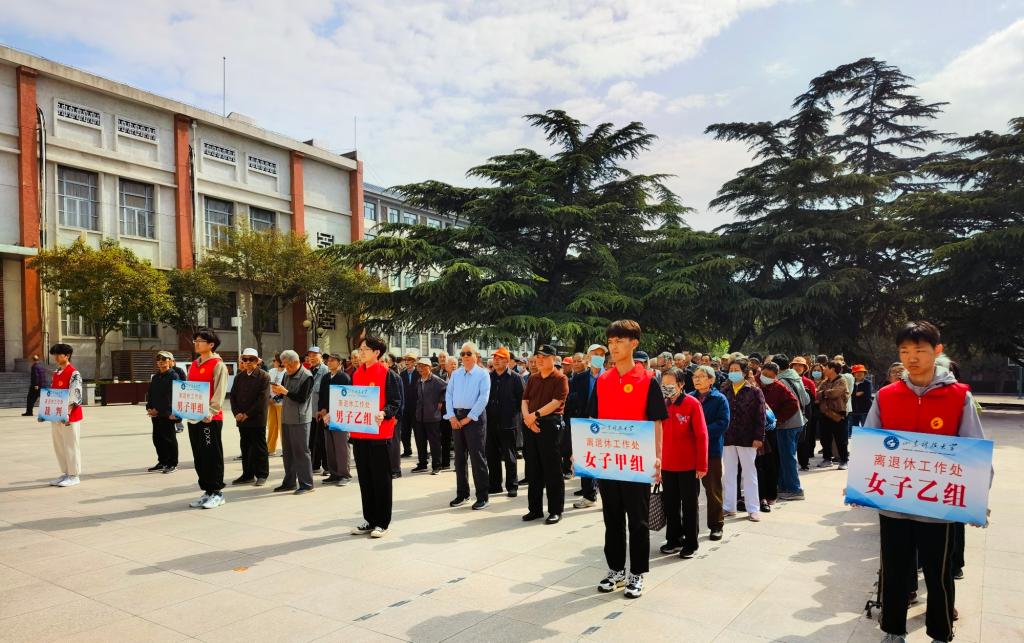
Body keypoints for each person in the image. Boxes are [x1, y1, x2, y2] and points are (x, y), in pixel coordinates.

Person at [863, 321, 988, 643]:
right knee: (894, 570)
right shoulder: (887, 395)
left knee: (938, 573)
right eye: (905, 351)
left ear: (937, 351)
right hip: (894, 503)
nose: (912, 358)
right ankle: (893, 631)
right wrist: (861, 484)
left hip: (937, 507)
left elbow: (974, 449)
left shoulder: (958, 396)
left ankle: (941, 633)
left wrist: (978, 499)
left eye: (919, 350)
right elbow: (870, 444)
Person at [589, 320, 666, 599]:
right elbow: (593, 419)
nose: (613, 347)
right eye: (610, 342)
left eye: (619, 341)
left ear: (634, 343)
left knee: (638, 521)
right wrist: (582, 451)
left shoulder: (648, 380)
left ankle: (637, 573)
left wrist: (657, 457)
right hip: (609, 460)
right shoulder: (603, 380)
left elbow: (657, 421)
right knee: (612, 519)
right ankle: (616, 570)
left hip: (637, 461)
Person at [349, 335, 402, 538]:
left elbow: (395, 402)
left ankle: (382, 522)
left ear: (376, 352)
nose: (360, 353)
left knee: (381, 479)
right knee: (365, 478)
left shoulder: (388, 374)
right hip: (359, 433)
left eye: (365, 349)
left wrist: (384, 412)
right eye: (360, 349)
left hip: (379, 434)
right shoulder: (356, 373)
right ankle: (369, 519)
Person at [659, 367, 708, 558]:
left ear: (680, 384)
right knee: (670, 505)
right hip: (666, 465)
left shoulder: (692, 403)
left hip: (688, 466)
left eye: (670, 384)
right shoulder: (662, 404)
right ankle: (674, 539)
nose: (666, 388)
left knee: (689, 506)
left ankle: (691, 543)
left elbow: (702, 435)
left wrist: (702, 465)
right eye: (663, 384)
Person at [520, 344, 569, 524]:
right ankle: (535, 509)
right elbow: (525, 400)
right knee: (533, 469)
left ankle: (555, 510)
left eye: (544, 357)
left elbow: (557, 402)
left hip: (550, 426)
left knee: (552, 470)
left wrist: (535, 415)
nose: (539, 360)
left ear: (553, 359)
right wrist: (528, 419)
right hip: (531, 424)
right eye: (538, 357)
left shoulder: (560, 378)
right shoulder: (533, 378)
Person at [185, 329, 229, 508]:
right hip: (193, 417)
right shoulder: (194, 364)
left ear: (211, 345)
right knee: (199, 455)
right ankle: (207, 491)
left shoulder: (218, 365)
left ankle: (217, 492)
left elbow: (220, 391)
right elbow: (188, 389)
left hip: (210, 419)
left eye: (200, 340)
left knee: (212, 455)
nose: (196, 343)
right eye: (195, 340)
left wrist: (211, 411)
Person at [445, 342, 492, 510]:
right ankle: (462, 494)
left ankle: (483, 496)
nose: (465, 356)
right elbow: (448, 395)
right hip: (456, 417)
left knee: (477, 457)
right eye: (462, 354)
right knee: (459, 458)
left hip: (475, 419)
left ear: (476, 356)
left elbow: (483, 399)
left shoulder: (483, 374)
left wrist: (468, 418)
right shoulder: (456, 374)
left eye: (468, 353)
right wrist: (451, 416)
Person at [722, 357, 767, 522]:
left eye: (736, 370)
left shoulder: (754, 391)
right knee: (729, 473)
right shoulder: (725, 390)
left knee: (749, 473)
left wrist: (759, 437)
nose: (733, 373)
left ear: (745, 372)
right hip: (728, 437)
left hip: (748, 438)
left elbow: (760, 416)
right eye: (731, 370)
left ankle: (753, 508)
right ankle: (729, 506)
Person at [690, 364, 729, 540]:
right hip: (690, 450)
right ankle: (691, 527)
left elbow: (723, 423)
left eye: (701, 376)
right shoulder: (689, 397)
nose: (697, 379)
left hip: (710, 450)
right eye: (695, 376)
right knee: (691, 492)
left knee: (712, 489)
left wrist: (701, 432)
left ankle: (716, 525)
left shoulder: (719, 399)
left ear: (711, 380)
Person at [271, 350, 315, 495]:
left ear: (296, 362)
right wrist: (278, 393)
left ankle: (307, 484)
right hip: (286, 417)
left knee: (301, 452)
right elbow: (284, 394)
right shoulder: (286, 375)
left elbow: (302, 398)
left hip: (300, 419)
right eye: (284, 365)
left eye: (288, 365)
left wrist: (285, 392)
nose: (286, 368)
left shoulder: (307, 376)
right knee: (288, 452)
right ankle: (289, 482)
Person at [568, 343, 607, 508]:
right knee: (586, 460)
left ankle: (608, 498)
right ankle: (589, 496)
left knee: (605, 461)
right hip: (583, 424)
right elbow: (571, 401)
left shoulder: (610, 376)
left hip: (604, 425)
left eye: (601, 354)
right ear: (588, 357)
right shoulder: (580, 378)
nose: (598, 357)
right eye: (595, 353)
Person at [760, 361, 803, 505]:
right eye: (764, 374)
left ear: (775, 376)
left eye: (769, 376)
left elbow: (794, 403)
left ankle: (794, 490)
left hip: (787, 426)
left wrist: (778, 418)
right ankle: (783, 487)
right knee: (780, 458)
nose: (765, 377)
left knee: (787, 457)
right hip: (776, 427)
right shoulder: (759, 384)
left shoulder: (779, 386)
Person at [44, 343, 84, 487]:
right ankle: (66, 473)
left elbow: (75, 395)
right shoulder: (56, 373)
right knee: (59, 445)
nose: (55, 357)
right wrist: (47, 412)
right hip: (56, 415)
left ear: (67, 356)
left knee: (71, 445)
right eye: (54, 354)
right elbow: (53, 394)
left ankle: (74, 475)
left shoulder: (74, 373)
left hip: (69, 416)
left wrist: (67, 413)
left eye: (58, 354)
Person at [230, 348, 271, 487]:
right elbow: (233, 397)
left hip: (257, 419)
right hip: (241, 419)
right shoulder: (239, 377)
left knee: (259, 447)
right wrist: (236, 413)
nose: (247, 362)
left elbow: (262, 400)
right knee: (245, 447)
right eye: (245, 359)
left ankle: (262, 475)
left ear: (257, 361)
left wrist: (247, 414)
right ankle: (247, 475)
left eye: (251, 359)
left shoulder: (264, 376)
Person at [487, 346, 524, 496]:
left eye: (500, 358)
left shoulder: (516, 378)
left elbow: (523, 401)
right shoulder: (489, 377)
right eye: (495, 358)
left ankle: (512, 485)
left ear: (507, 361)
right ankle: (495, 485)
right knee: (492, 455)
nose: (496, 361)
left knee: (510, 456)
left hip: (509, 423)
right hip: (491, 423)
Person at [317, 352, 353, 486]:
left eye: (333, 360)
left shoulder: (344, 377)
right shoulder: (326, 377)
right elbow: (322, 396)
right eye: (328, 360)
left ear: (340, 363)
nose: (329, 362)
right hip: (326, 417)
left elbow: (346, 398)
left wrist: (332, 411)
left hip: (340, 416)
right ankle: (334, 473)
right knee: (330, 446)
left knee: (341, 446)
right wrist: (322, 409)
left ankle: (344, 474)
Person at [144, 351, 180, 473]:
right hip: (155, 414)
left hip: (168, 414)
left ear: (170, 361)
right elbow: (151, 394)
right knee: (157, 439)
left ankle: (172, 463)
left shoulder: (174, 376)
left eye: (164, 359)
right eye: (158, 360)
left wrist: (159, 410)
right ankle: (163, 461)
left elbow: (172, 396)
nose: (160, 362)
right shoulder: (156, 377)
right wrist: (149, 407)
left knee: (169, 439)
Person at [413, 357, 447, 474]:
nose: (420, 368)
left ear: (429, 368)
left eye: (423, 366)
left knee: (434, 443)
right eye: (419, 366)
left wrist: (441, 400)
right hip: (420, 416)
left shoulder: (436, 380)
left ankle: (437, 466)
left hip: (432, 416)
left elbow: (447, 388)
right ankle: (422, 464)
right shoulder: (419, 380)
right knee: (420, 442)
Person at [815, 360, 850, 470]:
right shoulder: (825, 381)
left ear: (832, 369)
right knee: (825, 438)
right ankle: (827, 459)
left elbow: (835, 393)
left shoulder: (842, 381)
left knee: (841, 439)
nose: (824, 369)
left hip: (838, 414)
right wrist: (825, 393)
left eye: (826, 367)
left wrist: (824, 393)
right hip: (825, 413)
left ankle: (844, 460)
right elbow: (817, 394)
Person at [791, 356, 818, 471]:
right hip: (791, 414)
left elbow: (813, 400)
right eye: (795, 365)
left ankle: (804, 463)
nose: (797, 367)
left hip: (806, 414)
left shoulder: (809, 382)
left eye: (800, 365)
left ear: (805, 368)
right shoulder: (786, 380)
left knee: (804, 439)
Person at [305, 347, 329, 476]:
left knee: (323, 440)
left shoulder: (325, 371)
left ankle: (327, 467)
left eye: (315, 355)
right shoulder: (309, 371)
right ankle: (314, 465)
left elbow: (326, 393)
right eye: (310, 356)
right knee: (312, 439)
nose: (312, 358)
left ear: (321, 356)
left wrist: (324, 410)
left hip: (322, 411)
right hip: (311, 411)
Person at [399, 350, 420, 465]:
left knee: (418, 431)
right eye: (406, 360)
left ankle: (422, 452)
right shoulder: (402, 374)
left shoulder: (419, 373)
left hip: (416, 406)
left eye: (410, 360)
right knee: (405, 430)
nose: (407, 362)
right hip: (405, 406)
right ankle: (407, 450)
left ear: (415, 362)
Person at [267, 354, 285, 456]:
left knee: (282, 427)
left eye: (275, 360)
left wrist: (276, 399)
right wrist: (269, 398)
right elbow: (267, 386)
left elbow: (286, 388)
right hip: (271, 403)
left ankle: (285, 449)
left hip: (282, 403)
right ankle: (270, 448)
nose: (273, 362)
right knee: (272, 425)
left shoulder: (287, 372)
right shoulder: (271, 371)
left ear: (280, 361)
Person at [850, 364, 873, 430]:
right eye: (856, 372)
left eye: (861, 372)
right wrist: (856, 394)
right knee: (854, 428)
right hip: (853, 410)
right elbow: (850, 394)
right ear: (853, 374)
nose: (859, 374)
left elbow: (867, 395)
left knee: (865, 428)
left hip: (865, 410)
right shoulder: (851, 383)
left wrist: (854, 394)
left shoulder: (867, 383)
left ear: (864, 374)